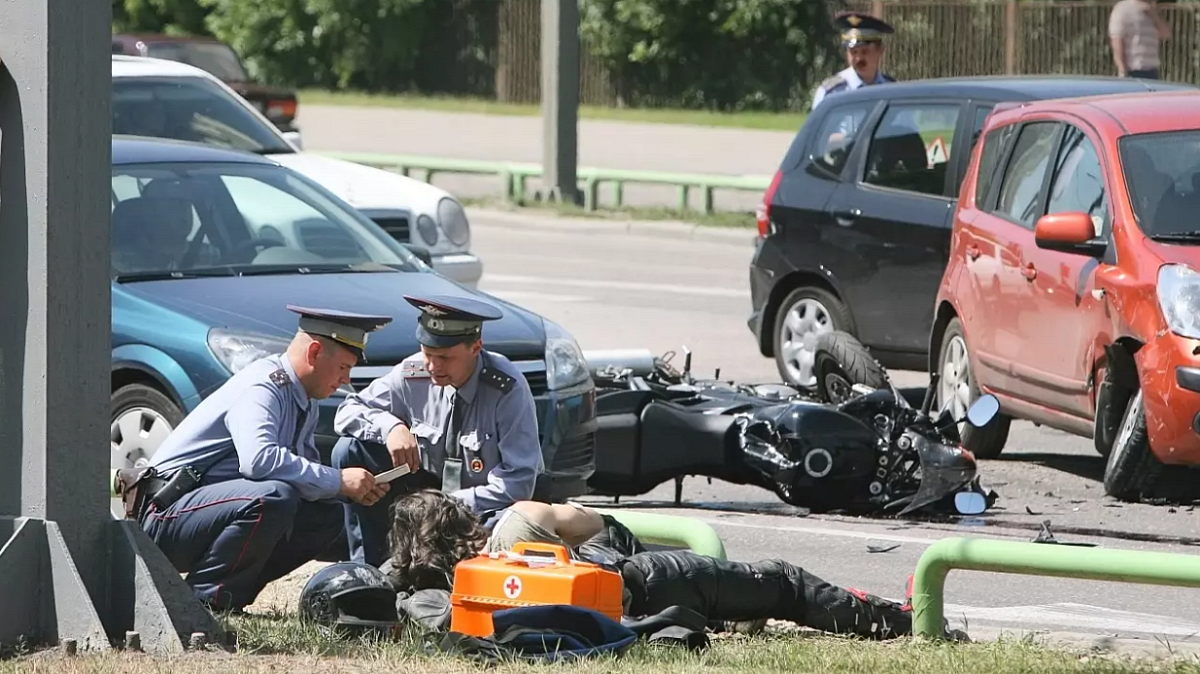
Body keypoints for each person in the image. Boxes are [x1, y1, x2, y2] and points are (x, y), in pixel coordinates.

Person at [381, 490, 958, 642]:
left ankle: (734, 615)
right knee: (782, 582)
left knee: (738, 600)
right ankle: (902, 619)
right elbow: (589, 522)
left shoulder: (432, 589)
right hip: (647, 583)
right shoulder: (515, 525)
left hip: (619, 615)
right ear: (457, 518)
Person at [136, 305, 393, 613]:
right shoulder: (264, 387)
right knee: (274, 496)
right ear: (314, 352)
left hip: (202, 514)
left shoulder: (303, 398)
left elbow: (303, 480)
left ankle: (232, 597)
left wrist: (346, 493)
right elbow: (258, 460)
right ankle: (205, 603)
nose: (345, 379)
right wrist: (338, 480)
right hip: (164, 515)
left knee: (327, 516)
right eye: (342, 367)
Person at [331, 294, 543, 567]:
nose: (432, 366)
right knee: (349, 450)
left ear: (475, 347)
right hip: (425, 495)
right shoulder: (413, 373)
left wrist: (444, 504)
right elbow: (347, 412)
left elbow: (519, 483)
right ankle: (369, 572)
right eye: (427, 354)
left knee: (509, 524)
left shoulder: (506, 388)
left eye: (444, 357)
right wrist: (391, 427)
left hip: (482, 508)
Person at [811, 12, 897, 112]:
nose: (858, 58)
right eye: (853, 52)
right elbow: (817, 126)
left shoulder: (892, 90)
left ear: (880, 51)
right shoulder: (833, 93)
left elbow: (906, 126)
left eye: (865, 52)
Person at [1109, 0, 1170, 80]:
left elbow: (1166, 34)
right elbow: (1117, 40)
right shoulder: (1123, 9)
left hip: (1152, 69)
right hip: (1133, 69)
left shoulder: (1153, 9)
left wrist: (1154, 15)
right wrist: (1122, 69)